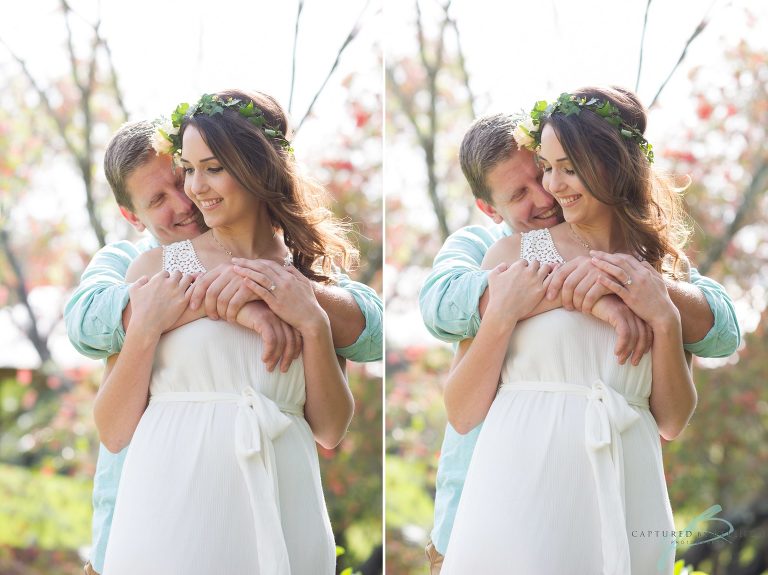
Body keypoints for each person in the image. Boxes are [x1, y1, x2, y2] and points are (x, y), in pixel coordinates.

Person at [420, 97, 740, 572]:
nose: (549, 191)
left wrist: (663, 316)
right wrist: (563, 294)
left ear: (611, 166)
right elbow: (460, 403)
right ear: (490, 208)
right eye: (542, 173)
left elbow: (672, 420)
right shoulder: (507, 255)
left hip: (627, 491)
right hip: (519, 494)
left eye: (560, 170)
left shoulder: (659, 272)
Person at [65, 91, 379, 574]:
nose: (193, 190)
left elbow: (331, 429)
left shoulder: (310, 281)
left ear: (256, 167)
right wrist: (157, 324)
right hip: (170, 514)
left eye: (208, 169)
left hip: (284, 504)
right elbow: (111, 428)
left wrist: (313, 323)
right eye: (189, 170)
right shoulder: (154, 269)